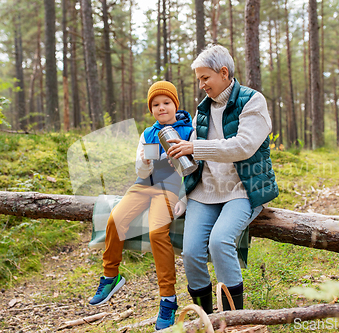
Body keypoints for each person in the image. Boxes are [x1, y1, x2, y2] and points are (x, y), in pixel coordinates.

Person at [167, 45, 279, 314]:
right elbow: (195, 157)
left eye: (205, 78)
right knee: (191, 252)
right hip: (205, 191)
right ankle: (205, 318)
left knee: (219, 241)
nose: (202, 85)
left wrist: (195, 148)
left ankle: (233, 318)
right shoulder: (203, 110)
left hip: (243, 188)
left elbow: (244, 146)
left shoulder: (253, 101)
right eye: (199, 80)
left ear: (224, 72)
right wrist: (177, 156)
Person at [89, 81, 193, 330]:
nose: (161, 108)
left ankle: (168, 299)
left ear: (175, 105)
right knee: (115, 219)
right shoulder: (147, 133)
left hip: (168, 188)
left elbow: (194, 170)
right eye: (155, 105)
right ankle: (110, 276)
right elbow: (139, 168)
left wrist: (184, 198)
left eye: (166, 103)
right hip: (142, 185)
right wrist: (146, 162)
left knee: (158, 231)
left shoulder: (189, 131)